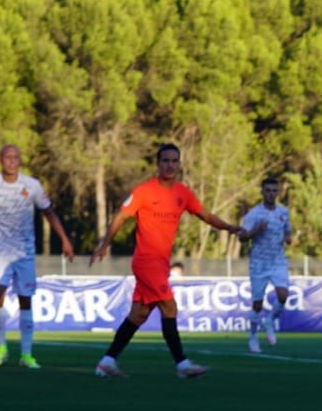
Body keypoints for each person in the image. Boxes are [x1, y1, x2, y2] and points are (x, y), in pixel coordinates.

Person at [89, 144, 242, 378]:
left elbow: (205, 215)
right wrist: (105, 244)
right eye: (166, 161)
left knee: (138, 315)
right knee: (169, 307)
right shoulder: (144, 191)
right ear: (158, 164)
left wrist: (230, 227)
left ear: (179, 164)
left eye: (174, 161)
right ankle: (182, 364)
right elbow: (121, 216)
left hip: (161, 263)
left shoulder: (183, 193)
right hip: (146, 260)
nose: (170, 165)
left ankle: (106, 362)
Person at [0, 145, 76, 368]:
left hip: (25, 252)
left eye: (16, 157)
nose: (12, 161)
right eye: (8, 157)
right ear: (0, 160)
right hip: (0, 251)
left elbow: (48, 212)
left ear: (20, 161)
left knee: (25, 299)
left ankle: (26, 354)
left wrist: (64, 239)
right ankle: (1, 347)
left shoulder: (32, 185)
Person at [238, 176, 294, 354]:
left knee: (283, 295)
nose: (271, 194)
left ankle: (270, 320)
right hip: (259, 263)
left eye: (274, 191)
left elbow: (288, 230)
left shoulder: (283, 212)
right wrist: (256, 231)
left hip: (278, 260)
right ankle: (253, 336)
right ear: (262, 192)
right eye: (267, 191)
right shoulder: (254, 214)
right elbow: (242, 237)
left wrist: (288, 238)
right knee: (257, 304)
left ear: (278, 192)